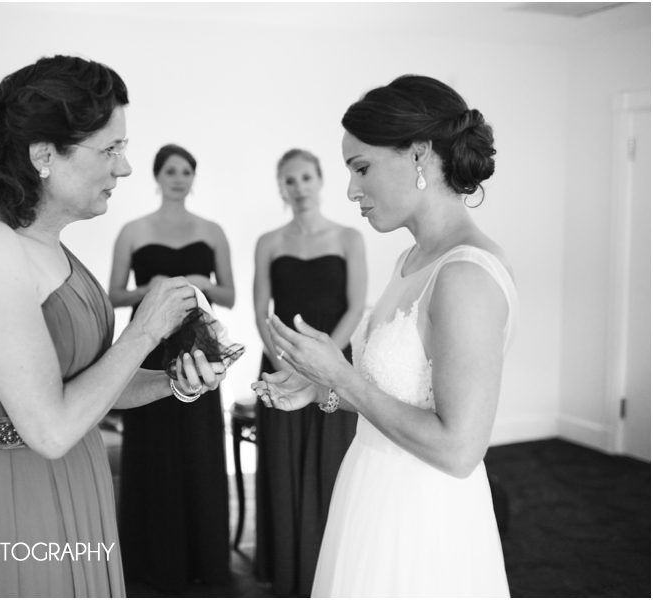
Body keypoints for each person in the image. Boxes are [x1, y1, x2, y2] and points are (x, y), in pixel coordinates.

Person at [0, 56, 225, 598]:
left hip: (77, 476)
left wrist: (170, 382)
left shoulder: (44, 241)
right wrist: (146, 331)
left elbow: (83, 388)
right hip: (18, 499)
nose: (126, 167)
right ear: (44, 154)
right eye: (110, 149)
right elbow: (50, 428)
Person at [253, 75, 517, 597]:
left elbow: (458, 449)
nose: (351, 189)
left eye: (362, 168)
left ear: (419, 155)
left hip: (422, 517)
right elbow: (399, 396)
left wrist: (343, 379)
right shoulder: (410, 260)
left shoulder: (465, 274)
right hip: (371, 488)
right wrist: (321, 387)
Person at [108, 143, 234, 593]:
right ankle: (150, 562)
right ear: (157, 177)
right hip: (148, 348)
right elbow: (113, 295)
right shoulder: (133, 231)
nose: (179, 178)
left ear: (192, 178)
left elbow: (230, 295)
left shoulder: (212, 231)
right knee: (152, 449)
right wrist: (152, 288)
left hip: (199, 348)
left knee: (199, 450)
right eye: (171, 170)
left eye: (186, 171)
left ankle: (205, 562)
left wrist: (201, 284)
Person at [252, 148, 366, 596]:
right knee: (282, 468)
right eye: (289, 181)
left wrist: (321, 365)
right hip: (280, 365)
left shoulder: (348, 238)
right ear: (281, 187)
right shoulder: (269, 241)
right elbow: (262, 311)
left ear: (320, 180)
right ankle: (288, 572)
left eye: (305, 178)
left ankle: (330, 569)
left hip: (337, 367)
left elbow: (356, 307)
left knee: (334, 468)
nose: (298, 187)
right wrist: (291, 367)